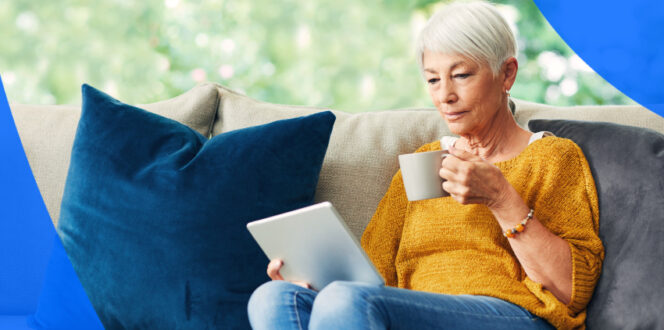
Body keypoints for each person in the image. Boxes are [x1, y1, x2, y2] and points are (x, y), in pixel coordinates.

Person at [247, 1, 604, 329]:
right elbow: (370, 279)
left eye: (461, 75)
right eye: (433, 79)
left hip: (513, 314)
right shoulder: (420, 164)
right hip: (412, 313)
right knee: (274, 298)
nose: (445, 95)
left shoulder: (553, 157)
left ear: (507, 74)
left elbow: (572, 290)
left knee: (344, 300)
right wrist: (313, 283)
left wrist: (501, 199)